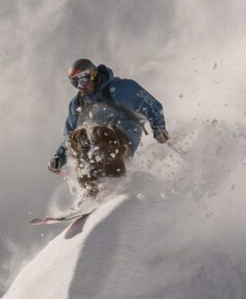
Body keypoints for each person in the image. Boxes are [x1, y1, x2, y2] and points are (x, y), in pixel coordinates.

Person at [48, 58, 169, 197]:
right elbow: (69, 135)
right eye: (75, 83)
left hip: (124, 137)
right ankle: (90, 189)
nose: (80, 86)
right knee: (78, 137)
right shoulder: (77, 103)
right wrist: (59, 157)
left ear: (93, 74)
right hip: (96, 144)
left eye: (82, 80)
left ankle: (113, 182)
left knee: (100, 133)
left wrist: (158, 127)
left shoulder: (119, 88)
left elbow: (151, 105)